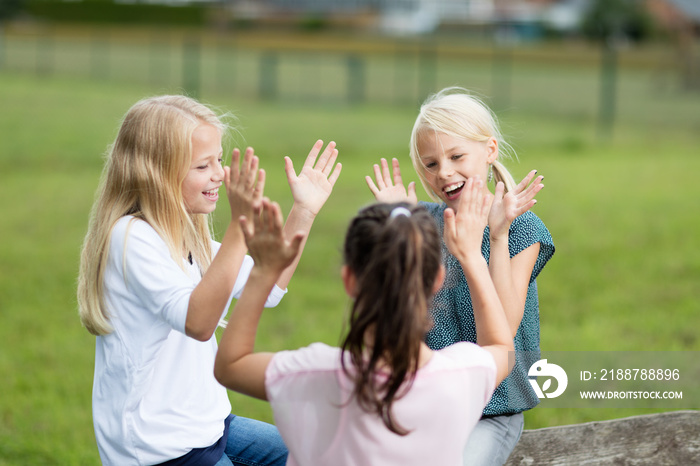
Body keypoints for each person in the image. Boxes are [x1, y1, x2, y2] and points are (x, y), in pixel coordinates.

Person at [77, 94, 342, 465]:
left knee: (314, 452)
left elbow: (269, 288)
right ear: (157, 173)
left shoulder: (191, 236)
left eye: (219, 159)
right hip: (161, 446)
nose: (220, 173)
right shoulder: (131, 237)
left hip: (210, 423)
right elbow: (198, 323)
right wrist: (238, 225)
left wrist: (304, 211)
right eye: (203, 165)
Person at [213, 177, 516, 465]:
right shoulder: (462, 374)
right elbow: (501, 346)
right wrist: (472, 256)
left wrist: (263, 273)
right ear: (437, 278)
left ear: (349, 281)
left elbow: (231, 365)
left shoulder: (315, 373)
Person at [365, 87, 555, 466]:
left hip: (492, 410)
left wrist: (497, 236)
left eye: (456, 156)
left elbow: (504, 329)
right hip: (426, 406)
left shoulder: (522, 228)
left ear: (489, 150)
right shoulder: (424, 224)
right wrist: (395, 236)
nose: (444, 172)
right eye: (431, 164)